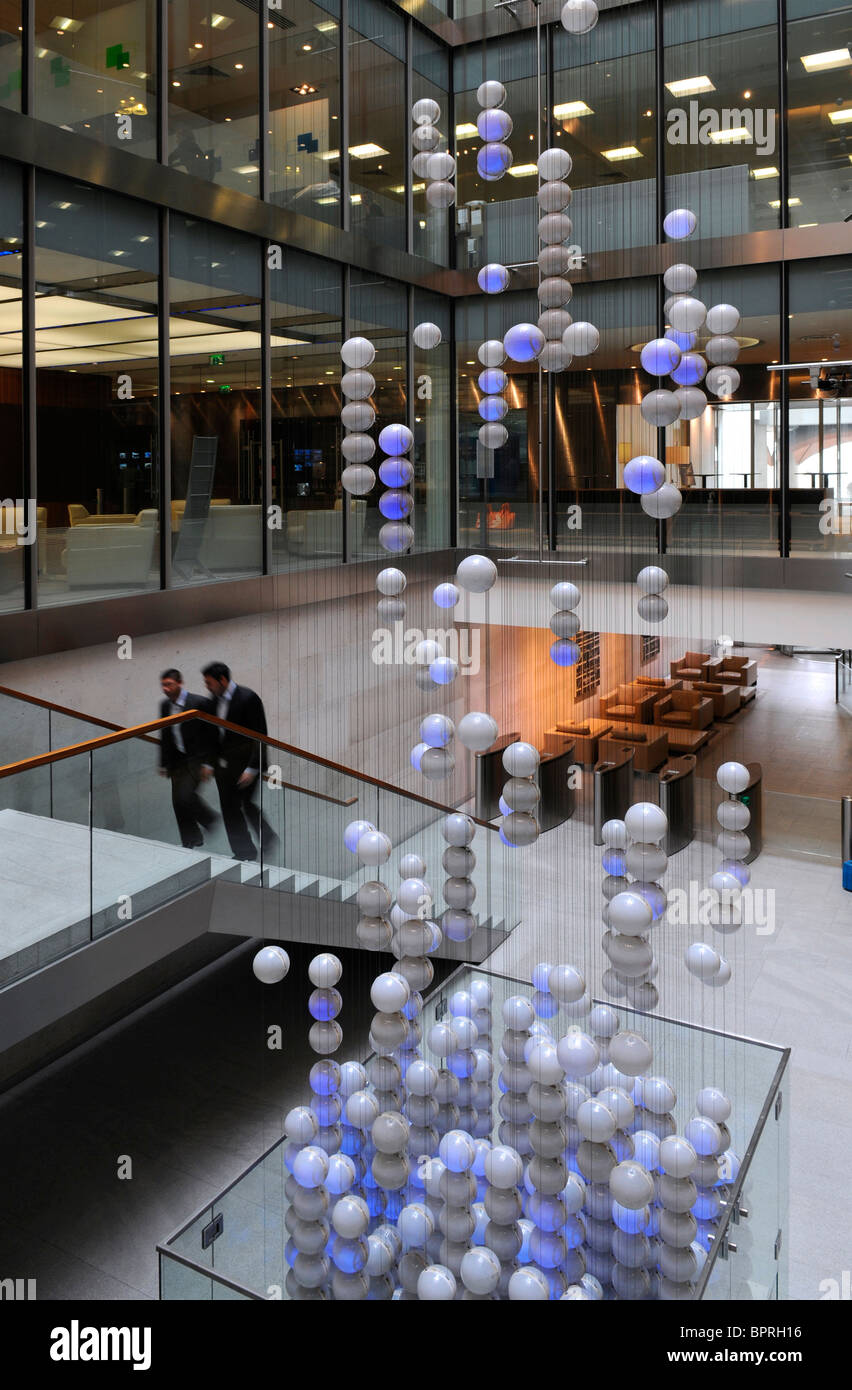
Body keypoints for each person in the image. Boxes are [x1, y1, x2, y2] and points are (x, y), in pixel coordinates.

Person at [201, 661, 278, 863]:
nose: (207, 687)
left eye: (210, 683)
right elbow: (212, 735)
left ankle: (268, 837)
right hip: (224, 767)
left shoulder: (248, 698)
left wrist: (253, 768)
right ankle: (244, 852)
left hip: (247, 766)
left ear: (223, 680)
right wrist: (209, 764)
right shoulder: (213, 702)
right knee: (229, 808)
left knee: (246, 804)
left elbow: (260, 735)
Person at [158, 669, 218, 849]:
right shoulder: (165, 706)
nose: (165, 689)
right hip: (177, 760)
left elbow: (213, 734)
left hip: (198, 758)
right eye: (163, 685)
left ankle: (210, 819)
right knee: (177, 802)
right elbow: (165, 733)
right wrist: (164, 763)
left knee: (185, 796)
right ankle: (191, 840)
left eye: (169, 684)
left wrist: (210, 763)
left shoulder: (199, 703)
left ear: (180, 683)